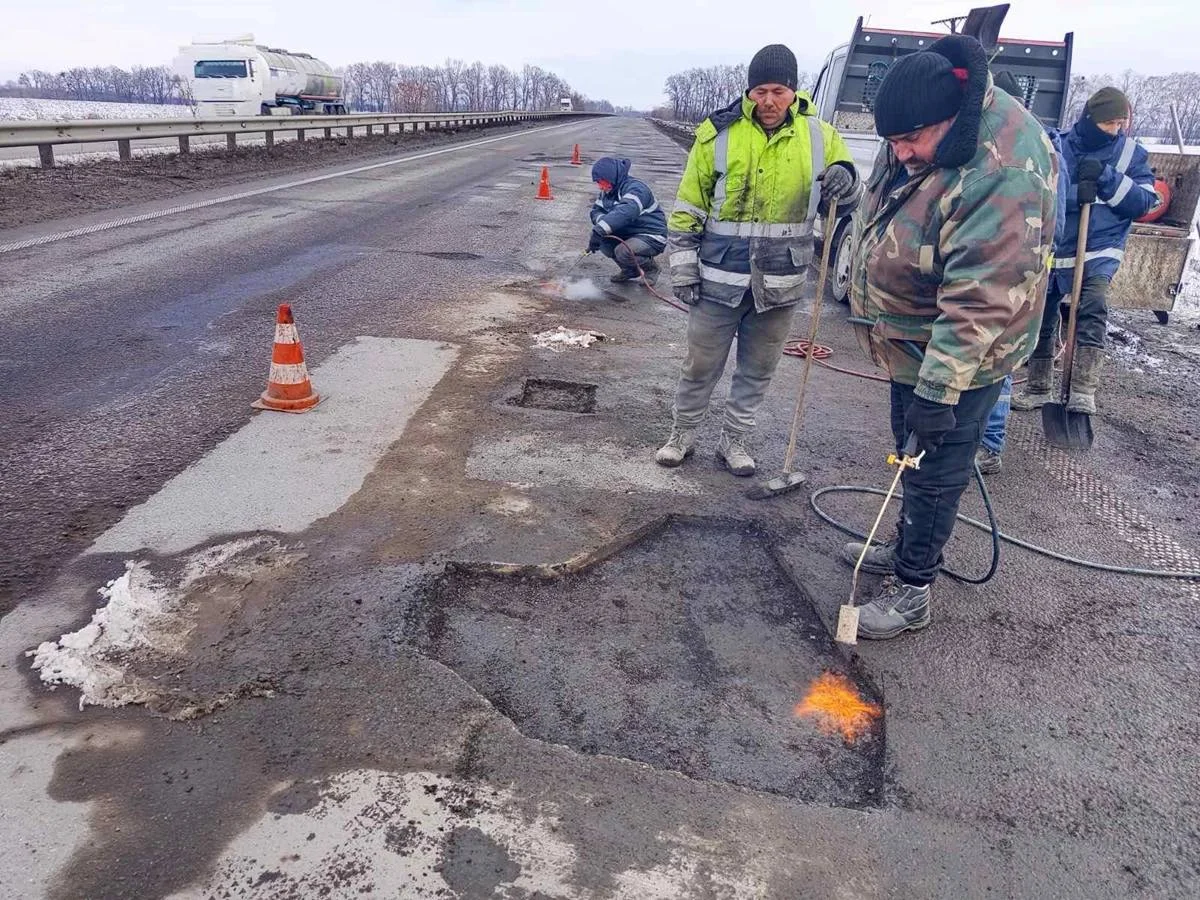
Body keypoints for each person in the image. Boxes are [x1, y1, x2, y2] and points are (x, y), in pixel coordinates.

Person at [844, 34, 1058, 640]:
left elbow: (980, 298)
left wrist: (940, 391)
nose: (902, 153)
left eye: (912, 140)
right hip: (912, 339)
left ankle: (914, 591)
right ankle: (905, 539)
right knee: (907, 452)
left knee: (936, 466)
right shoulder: (920, 129)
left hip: (966, 352)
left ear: (952, 120)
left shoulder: (1003, 171)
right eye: (893, 142)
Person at [658, 44, 862, 476]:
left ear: (794, 91)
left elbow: (847, 199)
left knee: (757, 370)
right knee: (699, 365)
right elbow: (688, 207)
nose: (768, 101)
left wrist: (848, 181)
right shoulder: (718, 133)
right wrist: (682, 267)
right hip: (716, 281)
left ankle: (735, 441)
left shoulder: (820, 136)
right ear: (748, 91)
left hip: (780, 284)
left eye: (779, 91)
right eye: (760, 91)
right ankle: (682, 433)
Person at [1012, 87, 1157, 415]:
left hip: (1100, 247)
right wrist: (1077, 191)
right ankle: (1038, 386)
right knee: (1042, 315)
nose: (1116, 130)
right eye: (1110, 123)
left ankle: (1082, 390)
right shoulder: (1061, 144)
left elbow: (1145, 202)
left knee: (1093, 307)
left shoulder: (1131, 154)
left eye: (1121, 123)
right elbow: (1046, 187)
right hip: (1058, 245)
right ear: (1091, 119)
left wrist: (1106, 178)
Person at [975, 71, 1069, 475]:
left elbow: (1057, 225)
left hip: (1015, 280)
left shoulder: (1041, 152)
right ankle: (965, 437)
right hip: (976, 274)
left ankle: (989, 444)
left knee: (999, 361)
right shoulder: (980, 148)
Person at [587, 157, 668, 283]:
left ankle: (651, 269)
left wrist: (601, 229)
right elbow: (596, 211)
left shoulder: (636, 188)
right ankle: (630, 270)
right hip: (628, 234)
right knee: (604, 241)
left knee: (623, 251)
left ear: (611, 177)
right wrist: (602, 224)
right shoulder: (608, 191)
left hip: (650, 235)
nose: (600, 187)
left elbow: (625, 212)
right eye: (598, 183)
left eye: (601, 182)